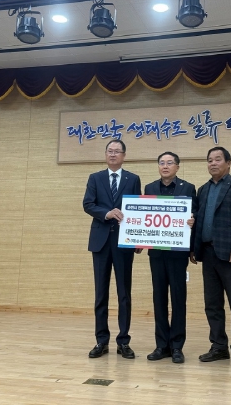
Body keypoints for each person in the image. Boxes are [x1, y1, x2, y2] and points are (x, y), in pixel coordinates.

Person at [191, 146, 231, 369]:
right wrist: (194, 248)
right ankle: (218, 347)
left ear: (228, 163)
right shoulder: (203, 190)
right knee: (212, 304)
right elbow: (198, 221)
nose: (213, 163)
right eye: (210, 160)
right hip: (208, 254)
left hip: (230, 254)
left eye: (217, 159)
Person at [83, 139, 142, 359]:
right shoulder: (95, 178)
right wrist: (106, 213)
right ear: (105, 154)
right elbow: (88, 204)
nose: (113, 154)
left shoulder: (132, 179)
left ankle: (123, 341)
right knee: (101, 293)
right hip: (100, 242)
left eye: (117, 151)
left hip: (124, 242)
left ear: (124, 155)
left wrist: (137, 239)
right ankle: (101, 340)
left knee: (124, 293)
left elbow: (138, 209)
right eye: (110, 151)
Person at [145, 152, 197, 364]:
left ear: (177, 167)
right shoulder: (149, 188)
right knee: (159, 298)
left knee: (178, 297)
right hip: (156, 252)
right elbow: (145, 218)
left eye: (169, 163)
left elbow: (195, 215)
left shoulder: (188, 188)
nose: (165, 166)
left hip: (178, 253)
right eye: (161, 163)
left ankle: (177, 346)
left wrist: (192, 222)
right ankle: (161, 345)